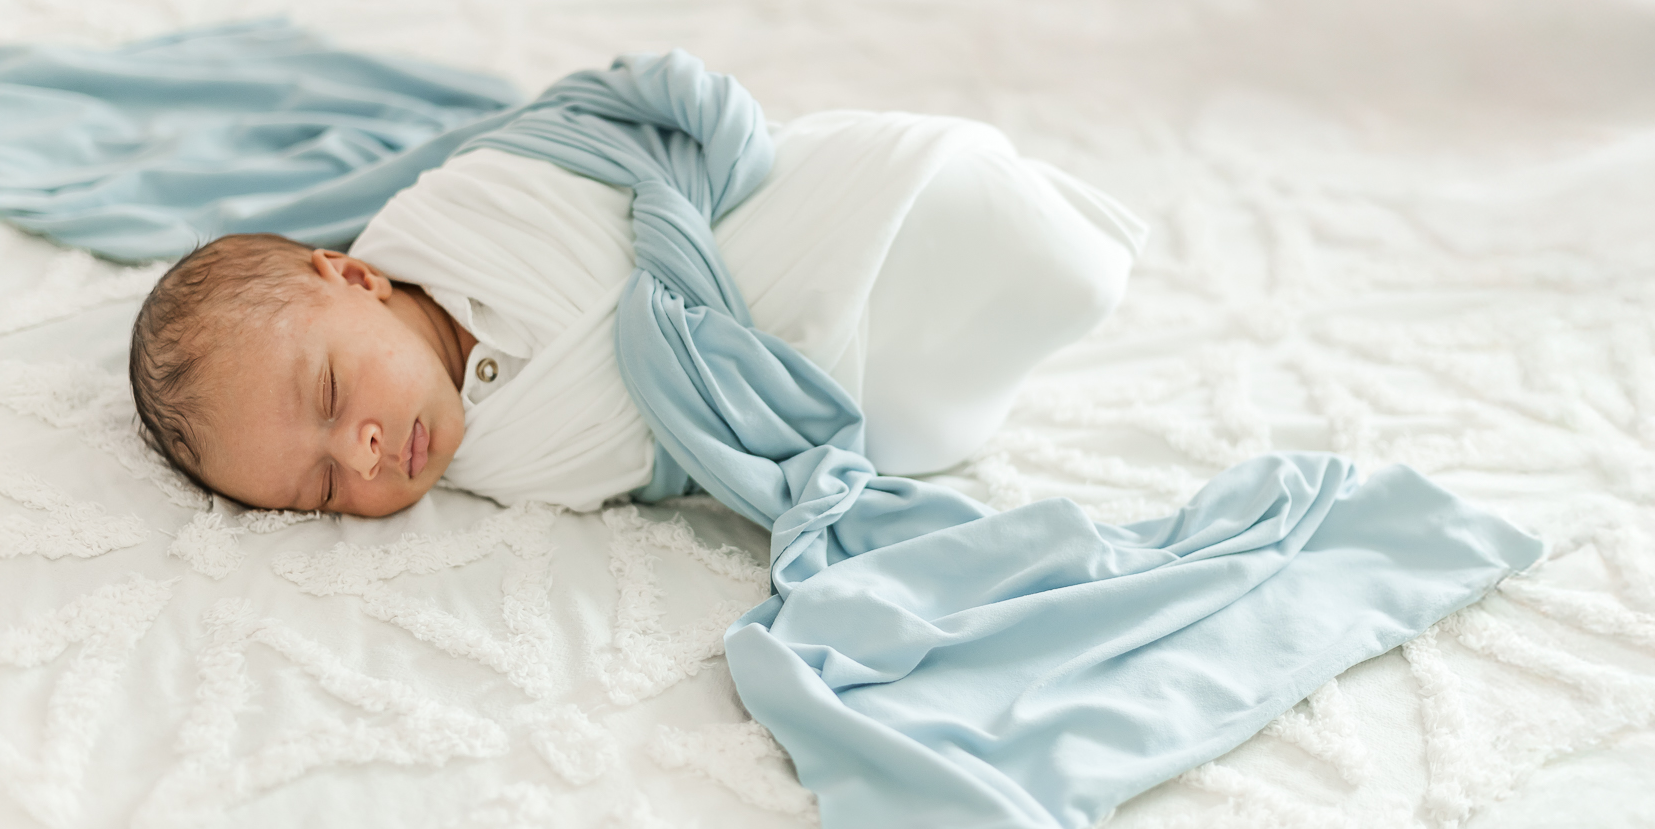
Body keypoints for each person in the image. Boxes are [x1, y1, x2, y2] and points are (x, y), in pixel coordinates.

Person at [128, 109, 1146, 516]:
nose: (356, 453)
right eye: (313, 493)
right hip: (792, 371)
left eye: (332, 392)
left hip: (749, 229)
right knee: (914, 412)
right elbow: (653, 462)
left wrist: (681, 226)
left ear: (353, 279)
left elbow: (589, 148)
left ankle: (1021, 245)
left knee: (1008, 240)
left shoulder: (446, 214)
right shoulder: (496, 467)